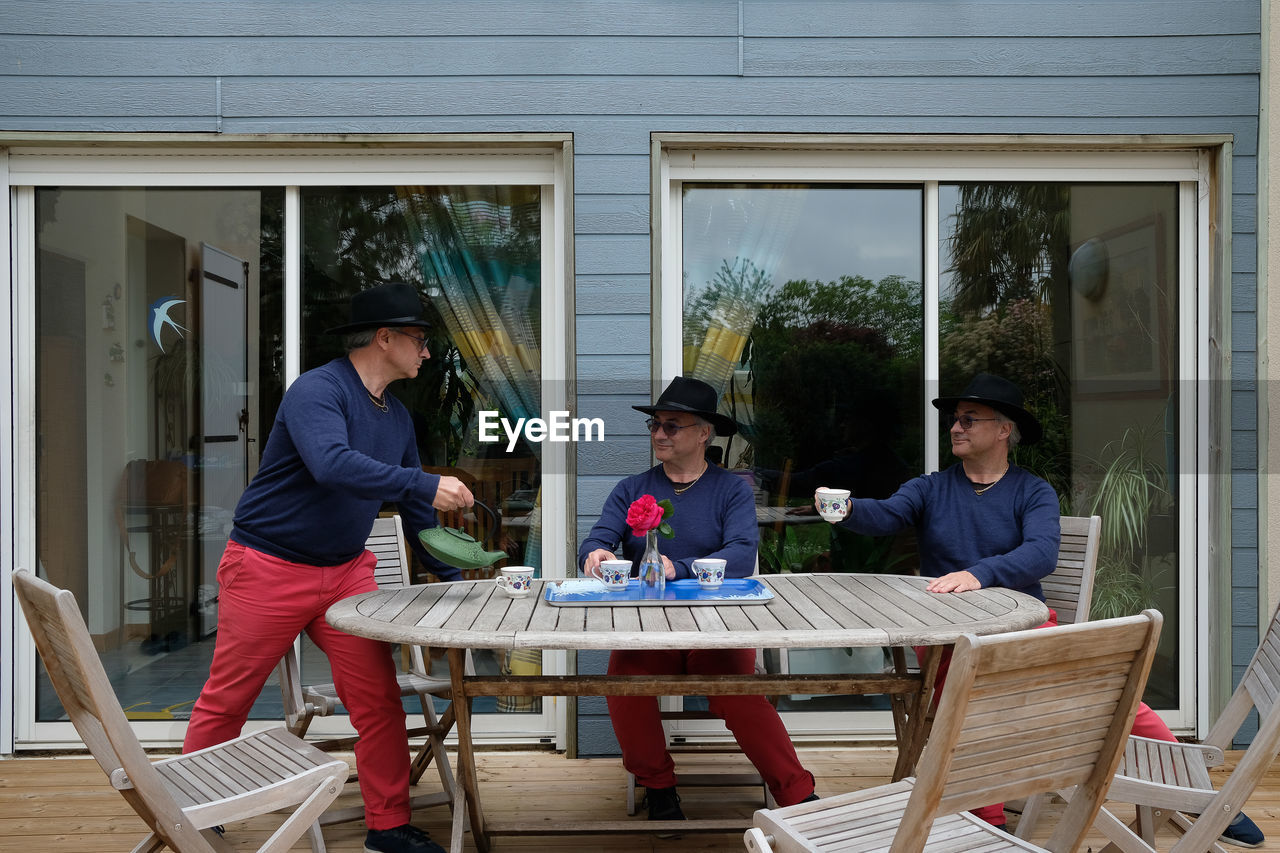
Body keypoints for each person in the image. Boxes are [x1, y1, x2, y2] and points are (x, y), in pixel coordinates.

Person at [816, 372, 1264, 847]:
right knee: (966, 702)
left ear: (1003, 429)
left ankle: (1199, 793)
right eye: (954, 419)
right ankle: (988, 824)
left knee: (1112, 688)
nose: (955, 427)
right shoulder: (930, 489)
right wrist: (845, 510)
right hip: (952, 636)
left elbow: (1042, 553)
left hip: (1025, 629)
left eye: (969, 419)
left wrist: (978, 573)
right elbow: (886, 514)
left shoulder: (1032, 492)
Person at [183, 282, 474, 853]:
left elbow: (418, 510)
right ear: (384, 339)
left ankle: (387, 827)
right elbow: (332, 465)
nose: (426, 352)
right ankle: (193, 809)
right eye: (419, 339)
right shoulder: (317, 391)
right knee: (229, 696)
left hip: (346, 572)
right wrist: (424, 482)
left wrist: (454, 576)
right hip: (267, 564)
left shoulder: (396, 419)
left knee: (379, 698)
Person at [578, 376, 817, 822]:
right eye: (655, 426)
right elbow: (598, 538)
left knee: (740, 694)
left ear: (704, 433)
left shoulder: (731, 489)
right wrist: (595, 553)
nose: (659, 434)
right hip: (649, 630)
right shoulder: (632, 488)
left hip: (718, 628)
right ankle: (659, 786)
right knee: (623, 682)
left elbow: (743, 554)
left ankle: (796, 793)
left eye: (672, 426)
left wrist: (679, 566)